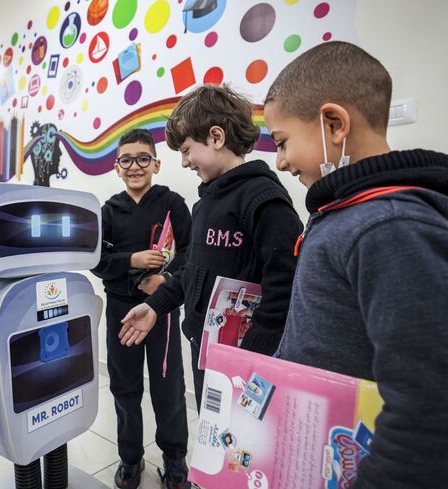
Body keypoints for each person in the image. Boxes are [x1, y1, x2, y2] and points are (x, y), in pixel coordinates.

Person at [263, 40, 448, 489]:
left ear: (334, 123)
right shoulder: (349, 216)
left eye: (283, 141)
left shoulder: (390, 229)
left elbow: (445, 411)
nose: (282, 160)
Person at [118, 84, 303, 410]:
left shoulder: (263, 200)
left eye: (187, 150)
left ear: (216, 137)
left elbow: (286, 289)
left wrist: (249, 358)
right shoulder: (205, 204)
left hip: (246, 361)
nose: (186, 162)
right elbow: (193, 271)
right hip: (206, 348)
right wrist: (156, 306)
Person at [91, 129, 191, 489]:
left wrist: (165, 283)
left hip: (162, 311)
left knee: (168, 387)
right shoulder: (108, 211)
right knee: (125, 387)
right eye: (126, 160)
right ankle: (130, 459)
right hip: (121, 310)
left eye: (143, 158)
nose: (135, 166)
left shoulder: (173, 203)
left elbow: (191, 255)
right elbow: (96, 260)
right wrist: (132, 260)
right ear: (117, 168)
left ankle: (175, 458)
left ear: (156, 163)